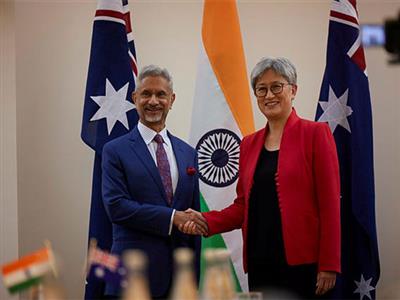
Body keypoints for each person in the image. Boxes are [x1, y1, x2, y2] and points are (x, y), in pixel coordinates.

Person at [180, 57, 341, 299]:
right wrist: (206, 220)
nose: (269, 95)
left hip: (303, 263)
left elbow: (330, 204)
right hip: (260, 261)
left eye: (277, 86)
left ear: (293, 90)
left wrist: (329, 264)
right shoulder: (249, 144)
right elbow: (242, 206)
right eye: (261, 89)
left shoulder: (316, 134)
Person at [102, 65, 207, 298]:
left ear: (172, 99)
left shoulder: (188, 153)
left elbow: (192, 217)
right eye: (146, 94)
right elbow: (116, 207)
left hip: (179, 280)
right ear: (135, 98)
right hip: (130, 277)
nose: (153, 101)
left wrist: (194, 277)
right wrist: (173, 218)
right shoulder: (114, 151)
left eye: (161, 94)